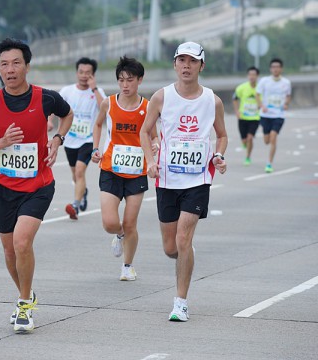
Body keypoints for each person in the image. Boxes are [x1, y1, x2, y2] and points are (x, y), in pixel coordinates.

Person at [0, 38, 73, 333]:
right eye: (4, 64)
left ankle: (24, 305)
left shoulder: (46, 98)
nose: (10, 69)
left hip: (38, 185)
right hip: (3, 187)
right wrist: (1, 142)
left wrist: (57, 139)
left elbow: (67, 114)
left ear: (27, 66)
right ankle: (26, 294)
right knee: (10, 252)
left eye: (16, 63)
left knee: (21, 242)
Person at [140, 41, 227, 322]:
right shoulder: (161, 97)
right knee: (171, 248)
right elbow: (145, 131)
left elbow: (222, 135)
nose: (186, 66)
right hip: (167, 179)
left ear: (202, 66)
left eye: (192, 61)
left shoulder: (212, 101)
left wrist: (219, 155)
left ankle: (180, 303)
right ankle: (185, 254)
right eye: (182, 60)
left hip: (198, 179)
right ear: (175, 64)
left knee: (183, 237)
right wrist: (150, 161)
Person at [91, 56, 158, 281]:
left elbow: (154, 136)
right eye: (121, 80)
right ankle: (119, 235)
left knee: (130, 223)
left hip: (136, 172)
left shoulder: (148, 107)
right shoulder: (108, 103)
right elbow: (98, 124)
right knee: (110, 223)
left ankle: (127, 266)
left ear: (140, 80)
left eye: (130, 80)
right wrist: (95, 148)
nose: (125, 85)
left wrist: (155, 146)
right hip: (110, 168)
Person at [50, 57, 106, 220]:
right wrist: (49, 121)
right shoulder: (67, 91)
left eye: (88, 73)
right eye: (81, 72)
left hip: (88, 140)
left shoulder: (97, 92)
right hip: (70, 139)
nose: (84, 76)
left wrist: (94, 89)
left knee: (80, 171)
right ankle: (83, 192)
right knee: (75, 174)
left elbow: (105, 108)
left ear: (93, 75)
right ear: (76, 73)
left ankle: (75, 205)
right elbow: (54, 106)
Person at [256, 58, 291, 173]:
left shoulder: (286, 82)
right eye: (273, 67)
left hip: (279, 115)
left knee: (273, 136)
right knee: (267, 140)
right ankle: (269, 157)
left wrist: (286, 104)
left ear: (281, 68)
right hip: (265, 115)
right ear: (270, 69)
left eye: (277, 67)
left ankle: (269, 163)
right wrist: (261, 105)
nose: (275, 69)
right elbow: (257, 94)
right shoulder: (264, 81)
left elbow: (288, 95)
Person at [232, 66, 260, 165]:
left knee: (250, 138)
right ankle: (245, 143)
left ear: (257, 76)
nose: (252, 76)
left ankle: (248, 157)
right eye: (250, 74)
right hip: (243, 117)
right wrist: (237, 111)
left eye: (254, 75)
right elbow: (234, 98)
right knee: (244, 140)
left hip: (255, 118)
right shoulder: (242, 88)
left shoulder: (260, 88)